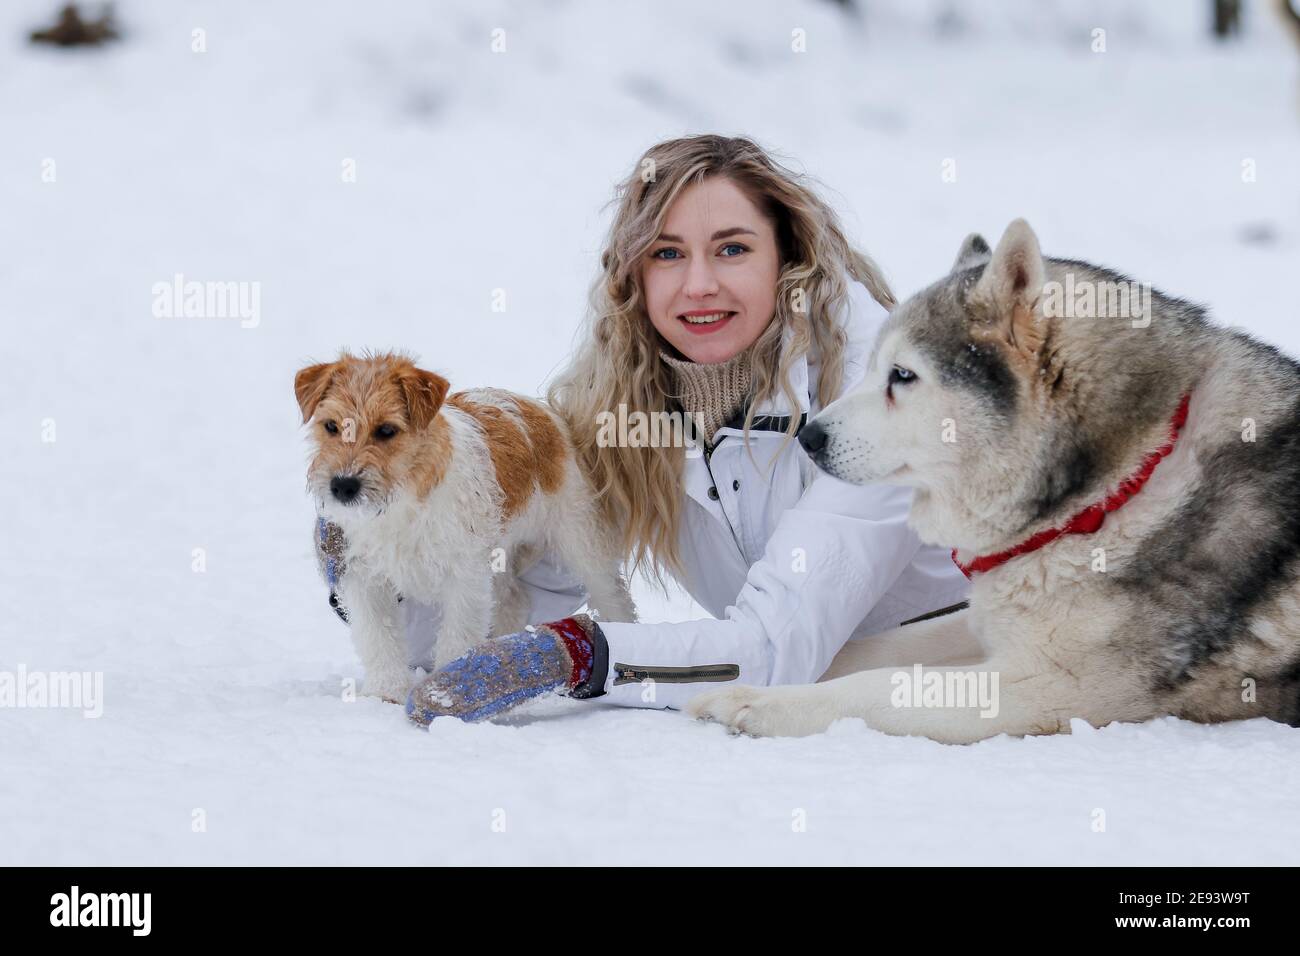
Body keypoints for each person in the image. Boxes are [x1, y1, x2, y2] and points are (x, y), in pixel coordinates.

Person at [318, 134, 969, 724]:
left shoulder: (882, 391)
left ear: (789, 257)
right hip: (801, 697)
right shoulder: (625, 398)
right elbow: (522, 585)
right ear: (633, 275)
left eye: (733, 249)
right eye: (667, 254)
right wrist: (386, 561)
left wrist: (580, 655)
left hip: (950, 689)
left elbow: (777, 647)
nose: (699, 285)